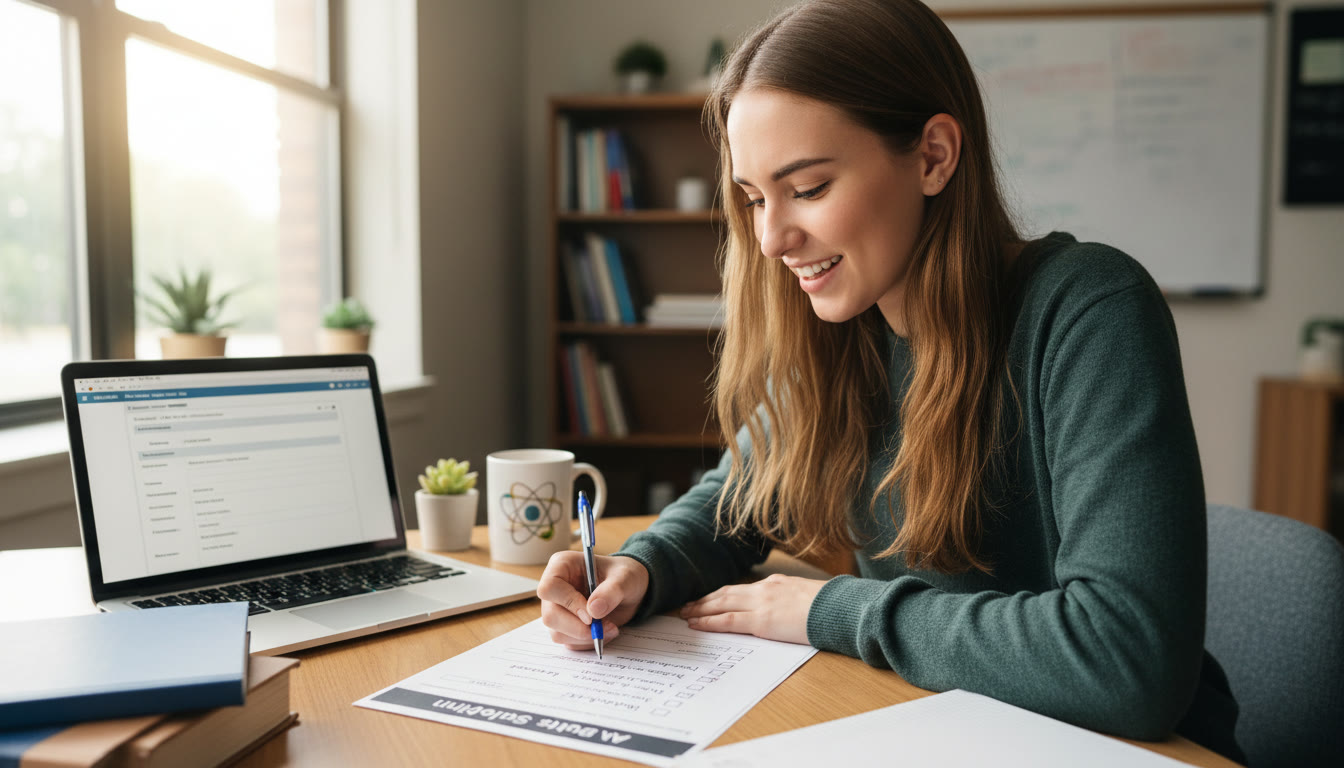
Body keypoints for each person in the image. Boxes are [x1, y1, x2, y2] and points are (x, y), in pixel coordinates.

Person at [537, 0, 1242, 760]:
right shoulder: (851, 329)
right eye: (752, 199)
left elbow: (1125, 660)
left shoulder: (1089, 308)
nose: (772, 239)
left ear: (934, 156)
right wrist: (641, 567)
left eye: (806, 189)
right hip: (959, 729)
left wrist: (830, 611)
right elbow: (739, 495)